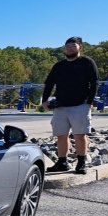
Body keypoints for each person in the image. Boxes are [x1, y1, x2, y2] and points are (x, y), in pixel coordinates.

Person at [43, 37, 99, 174]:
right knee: (61, 135)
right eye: (67, 46)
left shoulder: (87, 62)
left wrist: (89, 102)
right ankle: (62, 162)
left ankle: (81, 162)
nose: (70, 48)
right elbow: (49, 83)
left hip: (80, 105)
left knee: (80, 135)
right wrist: (44, 100)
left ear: (80, 47)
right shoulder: (59, 65)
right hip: (60, 106)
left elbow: (95, 82)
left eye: (73, 45)